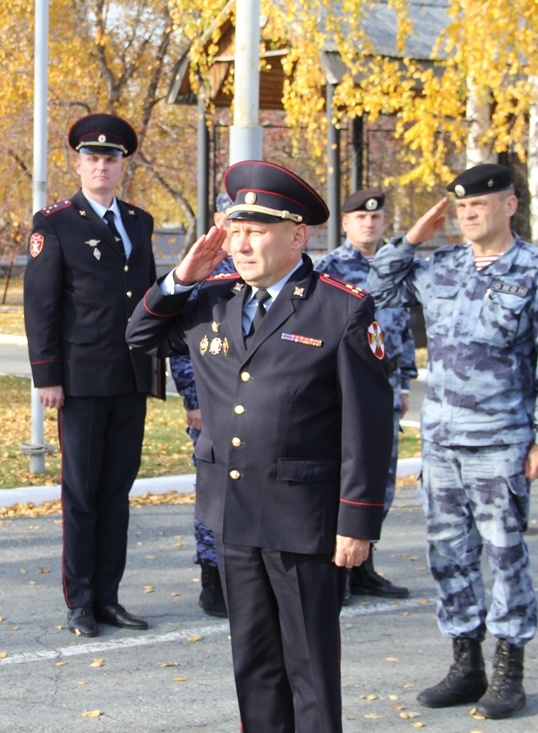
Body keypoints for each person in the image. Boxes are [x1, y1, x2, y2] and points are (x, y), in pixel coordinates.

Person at [127, 160, 393, 732]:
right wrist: (180, 277)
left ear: (298, 236)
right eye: (234, 230)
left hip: (304, 520)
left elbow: (368, 429)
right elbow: (139, 336)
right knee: (253, 664)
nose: (242, 244)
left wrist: (358, 522)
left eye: (257, 232)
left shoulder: (341, 308)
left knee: (310, 669)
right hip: (233, 513)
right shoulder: (209, 300)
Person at [367, 163, 538, 720]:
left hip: (502, 440)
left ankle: (509, 671)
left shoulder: (537, 270)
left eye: (479, 205)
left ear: (509, 205)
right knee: (447, 554)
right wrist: (412, 237)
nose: (468, 214)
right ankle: (466, 664)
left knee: (505, 555)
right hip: (441, 439)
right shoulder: (442, 266)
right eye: (460, 207)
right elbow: (375, 286)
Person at [23, 113, 158, 638]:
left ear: (123, 165)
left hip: (129, 377)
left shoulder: (139, 221)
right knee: (81, 493)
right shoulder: (55, 222)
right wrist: (47, 376)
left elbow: (145, 296)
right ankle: (80, 600)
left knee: (116, 493)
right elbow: (42, 307)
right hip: (79, 380)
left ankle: (109, 597)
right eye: (93, 158)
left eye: (112, 158)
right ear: (78, 163)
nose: (102, 166)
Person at [314, 188, 414, 604]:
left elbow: (403, 326)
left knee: (381, 480)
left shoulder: (396, 266)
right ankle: (339, 571)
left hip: (386, 386)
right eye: (360, 218)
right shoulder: (330, 268)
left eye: (375, 218)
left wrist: (405, 380)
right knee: (345, 477)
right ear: (346, 223)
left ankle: (365, 563)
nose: (369, 224)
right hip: (345, 391)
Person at [169, 191, 236, 617]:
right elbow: (182, 344)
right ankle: (211, 578)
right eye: (232, 216)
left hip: (253, 406)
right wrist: (192, 399)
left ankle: (241, 576)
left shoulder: (262, 268)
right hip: (211, 405)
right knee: (213, 494)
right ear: (217, 218)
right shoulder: (205, 271)